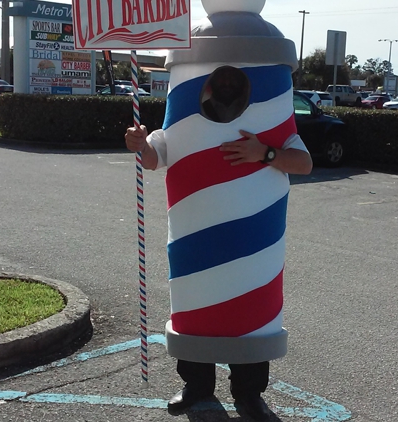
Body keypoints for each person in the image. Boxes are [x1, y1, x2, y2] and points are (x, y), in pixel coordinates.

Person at [125, 66, 312, 421]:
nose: (226, 82)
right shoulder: (182, 122)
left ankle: (249, 393)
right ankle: (197, 385)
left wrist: (265, 153)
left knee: (251, 313)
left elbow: (303, 163)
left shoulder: (270, 119)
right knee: (196, 308)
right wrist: (139, 143)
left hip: (253, 238)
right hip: (195, 237)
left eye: (233, 76)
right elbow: (153, 157)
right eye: (217, 76)